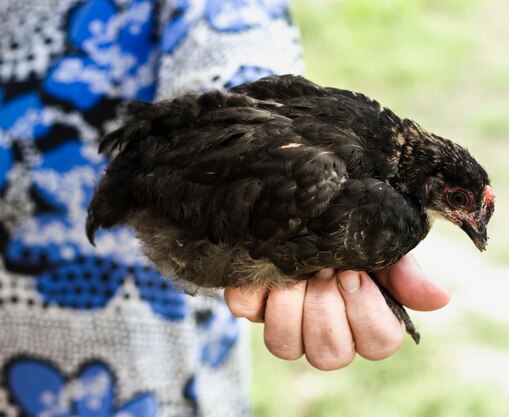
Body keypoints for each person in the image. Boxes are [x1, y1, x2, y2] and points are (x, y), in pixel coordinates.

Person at [0, 0, 449, 416]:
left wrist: (290, 173)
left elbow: (235, 27)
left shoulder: (352, 173)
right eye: (461, 203)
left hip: (132, 370)